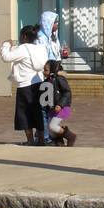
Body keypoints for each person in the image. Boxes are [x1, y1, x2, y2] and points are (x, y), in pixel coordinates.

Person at [1, 25, 48, 145]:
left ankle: (30, 140)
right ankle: (41, 139)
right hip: (38, 82)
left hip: (25, 85)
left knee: (25, 114)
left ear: (24, 36)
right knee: (37, 112)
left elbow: (6, 57)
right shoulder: (40, 48)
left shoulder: (23, 49)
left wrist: (6, 45)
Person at [36, 10, 70, 139]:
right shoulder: (40, 38)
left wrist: (64, 52)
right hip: (44, 78)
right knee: (44, 107)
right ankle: (44, 136)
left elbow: (56, 53)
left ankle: (49, 135)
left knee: (51, 107)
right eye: (55, 22)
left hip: (53, 77)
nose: (57, 25)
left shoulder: (53, 37)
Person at [41, 60, 76, 146]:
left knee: (52, 126)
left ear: (52, 71)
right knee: (50, 128)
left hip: (61, 107)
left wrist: (60, 104)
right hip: (53, 108)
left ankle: (70, 136)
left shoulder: (59, 79)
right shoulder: (47, 81)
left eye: (46, 70)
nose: (44, 72)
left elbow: (67, 92)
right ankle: (59, 141)